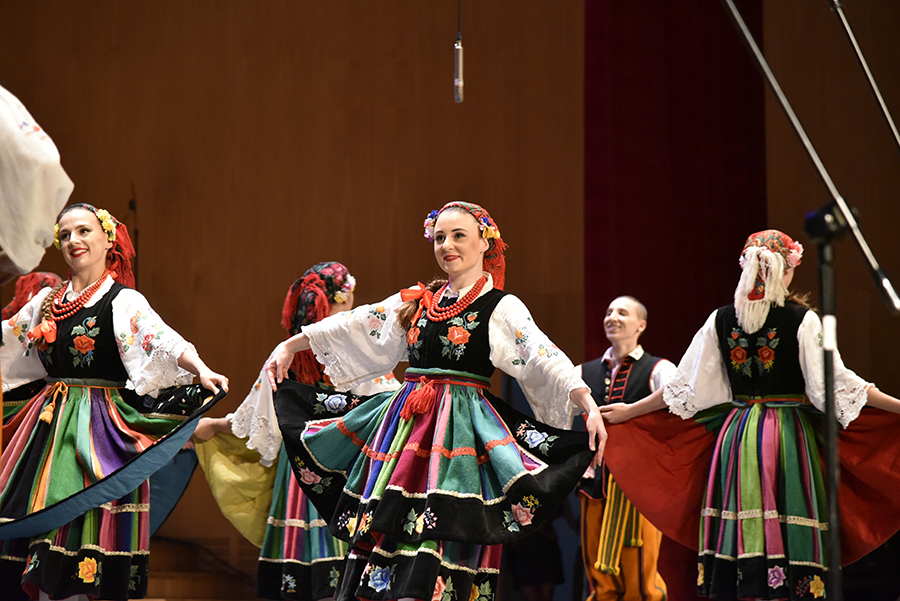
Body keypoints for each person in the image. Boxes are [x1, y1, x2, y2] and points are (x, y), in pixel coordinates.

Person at [265, 202, 606, 601]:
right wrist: (290, 345)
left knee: (443, 534)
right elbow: (358, 322)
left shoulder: (501, 307)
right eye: (440, 237)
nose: (447, 245)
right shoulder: (419, 301)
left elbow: (542, 355)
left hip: (459, 436)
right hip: (404, 432)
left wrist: (587, 403)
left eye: (459, 236)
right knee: (388, 535)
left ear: (485, 243)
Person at [599, 230, 900, 601]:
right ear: (786, 271)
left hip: (738, 437)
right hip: (787, 437)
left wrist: (631, 410)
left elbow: (684, 387)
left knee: (742, 518)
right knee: (788, 513)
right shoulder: (803, 320)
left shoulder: (720, 320)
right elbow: (836, 385)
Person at [0, 203, 228, 601]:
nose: (73, 240)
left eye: (84, 231)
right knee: (39, 525)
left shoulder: (123, 301)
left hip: (98, 427)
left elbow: (160, 339)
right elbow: (8, 339)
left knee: (89, 517)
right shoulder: (47, 302)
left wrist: (201, 369)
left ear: (108, 240)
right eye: (65, 235)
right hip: (49, 426)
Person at [192, 261, 400, 600]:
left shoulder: (286, 356)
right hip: (344, 465)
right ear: (343, 299)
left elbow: (258, 418)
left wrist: (214, 425)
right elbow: (386, 403)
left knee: (296, 582)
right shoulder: (356, 352)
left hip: (300, 470)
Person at [575, 296, 673, 601]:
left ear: (641, 325)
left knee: (640, 577)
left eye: (622, 312)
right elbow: (558, 413)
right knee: (599, 575)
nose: (612, 317)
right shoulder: (583, 372)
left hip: (639, 484)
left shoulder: (658, 368)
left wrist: (631, 411)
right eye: (608, 312)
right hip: (595, 481)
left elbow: (678, 395)